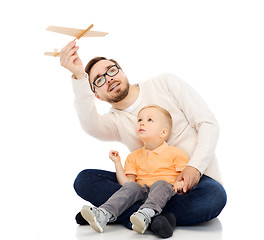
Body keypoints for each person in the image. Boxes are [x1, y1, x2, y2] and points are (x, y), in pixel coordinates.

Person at [60, 41, 227, 238]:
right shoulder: (114, 121)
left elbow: (208, 123)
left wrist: (195, 167)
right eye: (98, 80)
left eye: (111, 70)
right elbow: (89, 124)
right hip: (145, 187)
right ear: (97, 96)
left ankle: (114, 212)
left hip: (193, 183)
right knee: (85, 180)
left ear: (122, 71)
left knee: (214, 197)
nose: (109, 79)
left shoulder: (165, 83)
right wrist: (80, 76)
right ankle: (153, 218)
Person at [80, 105, 189, 237]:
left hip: (166, 193)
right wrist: (117, 163)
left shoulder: (176, 153)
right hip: (142, 193)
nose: (142, 122)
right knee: (132, 186)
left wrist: (180, 183)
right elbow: (127, 184)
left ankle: (145, 214)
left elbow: (185, 178)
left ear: (163, 133)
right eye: (139, 120)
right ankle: (104, 214)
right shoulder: (134, 156)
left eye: (149, 120)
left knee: (161, 183)